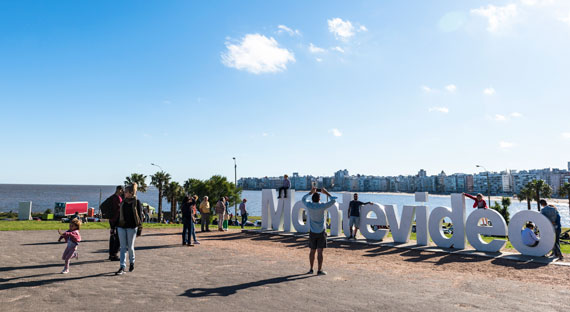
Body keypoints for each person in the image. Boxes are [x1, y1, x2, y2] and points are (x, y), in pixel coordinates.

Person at [302, 187, 337, 275]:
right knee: (320, 252)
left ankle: (310, 269)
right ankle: (319, 270)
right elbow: (333, 201)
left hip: (312, 232)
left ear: (313, 198)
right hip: (321, 232)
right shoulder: (322, 206)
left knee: (312, 251)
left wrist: (310, 192)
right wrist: (326, 193)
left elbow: (303, 199)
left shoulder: (309, 205)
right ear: (319, 199)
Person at [115, 183, 143, 275]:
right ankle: (122, 266)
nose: (124, 193)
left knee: (130, 247)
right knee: (122, 247)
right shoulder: (123, 202)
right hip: (121, 226)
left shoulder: (136, 202)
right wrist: (115, 226)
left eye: (126, 192)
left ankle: (132, 262)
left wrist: (139, 229)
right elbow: (118, 215)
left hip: (132, 227)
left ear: (131, 193)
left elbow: (140, 217)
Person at [108, 186, 124, 261]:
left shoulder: (111, 197)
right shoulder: (118, 198)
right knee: (118, 238)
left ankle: (111, 254)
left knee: (112, 237)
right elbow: (119, 208)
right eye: (121, 190)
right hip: (116, 220)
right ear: (119, 190)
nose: (122, 192)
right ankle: (114, 254)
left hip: (111, 220)